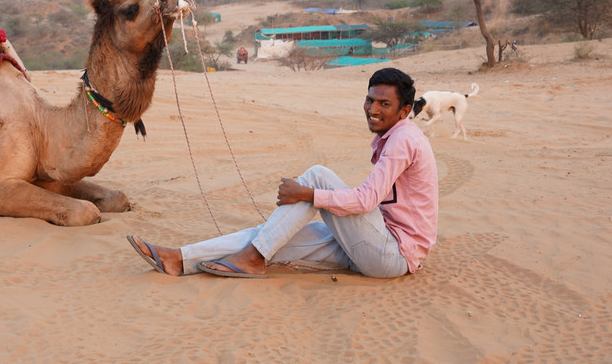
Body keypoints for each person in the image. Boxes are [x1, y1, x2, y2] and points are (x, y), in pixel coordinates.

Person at [127, 67, 438, 279]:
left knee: (317, 175)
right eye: (370, 99)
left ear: (404, 111)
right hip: (372, 243)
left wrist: (306, 194)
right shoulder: (395, 135)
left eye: (385, 103)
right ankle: (180, 259)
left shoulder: (403, 139)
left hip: (390, 255)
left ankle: (252, 257)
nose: (373, 109)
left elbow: (366, 200)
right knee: (270, 237)